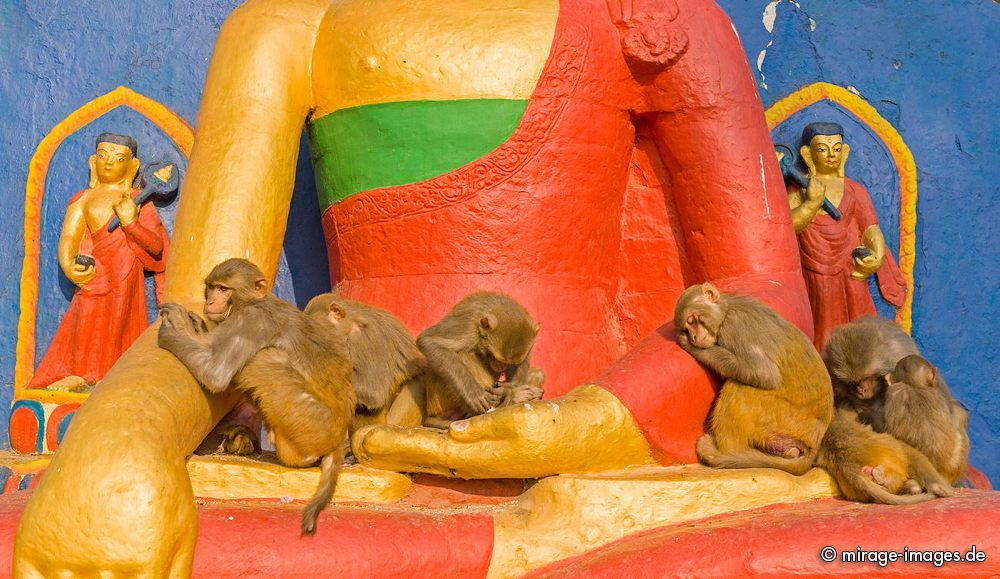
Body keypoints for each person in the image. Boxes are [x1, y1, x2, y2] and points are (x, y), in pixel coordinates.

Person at [14, 1, 812, 574]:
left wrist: (594, 421)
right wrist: (123, 441)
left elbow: (765, 292)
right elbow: (210, 309)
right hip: (371, 454)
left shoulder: (658, 18)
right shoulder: (293, 26)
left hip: (602, 467)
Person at [27, 133, 169, 391]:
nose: (109, 163)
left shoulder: (137, 201)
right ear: (93, 161)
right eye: (102, 156)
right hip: (95, 272)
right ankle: (81, 373)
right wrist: (69, 264)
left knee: (120, 316)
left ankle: (112, 372)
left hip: (125, 271)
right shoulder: (84, 199)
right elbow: (70, 235)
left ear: (133, 165)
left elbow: (156, 246)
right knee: (86, 315)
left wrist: (131, 223)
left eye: (118, 158)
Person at [787, 122, 906, 348]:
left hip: (850, 270)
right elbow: (789, 227)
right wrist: (811, 204)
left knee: (859, 334)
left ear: (845, 152)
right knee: (820, 329)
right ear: (807, 154)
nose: (831, 155)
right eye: (822, 149)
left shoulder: (854, 190)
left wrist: (878, 254)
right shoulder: (798, 189)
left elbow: (870, 227)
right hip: (815, 273)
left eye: (837, 148)